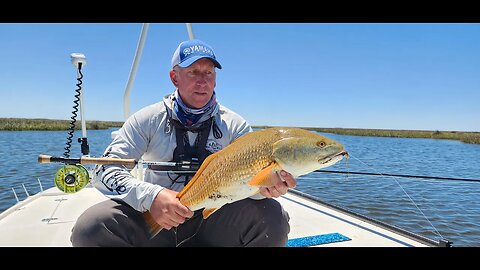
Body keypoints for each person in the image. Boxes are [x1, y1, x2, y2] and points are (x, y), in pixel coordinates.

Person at [70, 39, 297, 247]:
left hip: (213, 218)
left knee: (273, 218)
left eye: (209, 73)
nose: (202, 81)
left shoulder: (235, 126)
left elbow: (250, 187)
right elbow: (105, 170)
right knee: (91, 227)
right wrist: (152, 196)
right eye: (193, 72)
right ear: (174, 77)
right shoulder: (147, 119)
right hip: (156, 215)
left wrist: (266, 188)